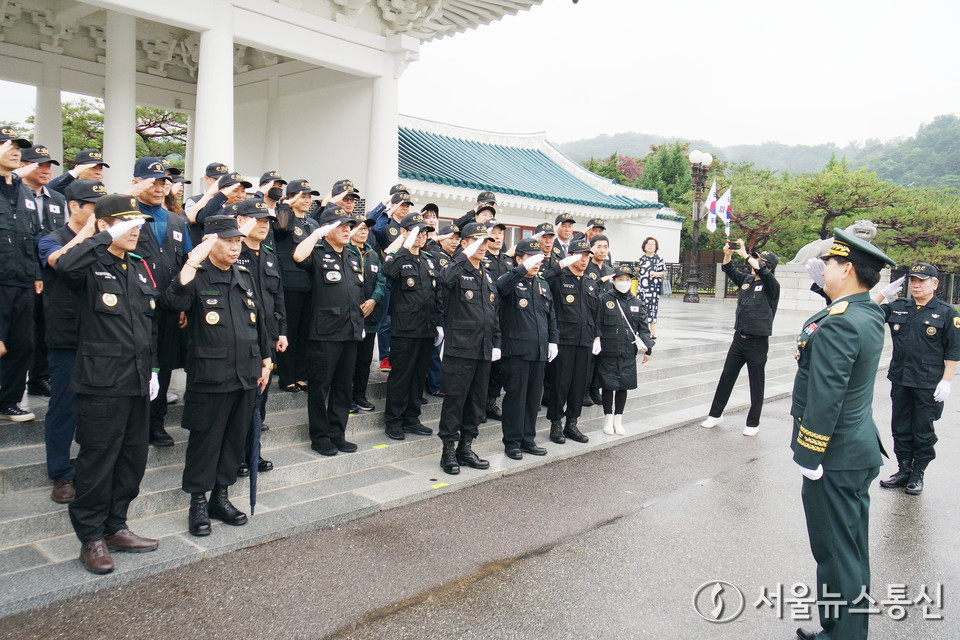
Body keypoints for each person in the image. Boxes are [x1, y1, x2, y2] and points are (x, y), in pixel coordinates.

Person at [792, 228, 895, 640]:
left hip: (835, 455)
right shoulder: (864, 312)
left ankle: (845, 635)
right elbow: (839, 311)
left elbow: (825, 398)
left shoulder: (843, 324)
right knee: (847, 549)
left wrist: (809, 454)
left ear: (847, 268)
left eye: (830, 263)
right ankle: (841, 628)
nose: (825, 269)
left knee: (836, 553)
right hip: (856, 449)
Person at [56, 194, 161, 574]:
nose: (134, 231)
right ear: (104, 226)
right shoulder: (89, 264)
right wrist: (100, 234)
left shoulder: (137, 267)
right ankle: (91, 538)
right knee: (98, 461)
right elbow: (64, 266)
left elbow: (148, 327)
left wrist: (154, 370)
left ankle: (116, 526)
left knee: (132, 460)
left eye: (136, 224)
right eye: (124, 224)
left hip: (136, 380)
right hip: (101, 383)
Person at [163, 215, 272, 537]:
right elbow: (174, 302)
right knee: (205, 442)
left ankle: (220, 498)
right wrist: (192, 262)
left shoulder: (244, 275)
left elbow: (260, 321)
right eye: (228, 241)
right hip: (210, 376)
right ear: (210, 242)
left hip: (246, 374)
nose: (236, 247)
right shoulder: (195, 275)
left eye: (238, 241)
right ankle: (197, 503)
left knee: (233, 441)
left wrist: (266, 362)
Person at [37, 180, 105, 503]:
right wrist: (89, 233)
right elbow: (59, 262)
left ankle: (88, 467)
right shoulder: (51, 239)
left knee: (95, 408)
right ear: (74, 206)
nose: (97, 211)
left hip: (100, 334)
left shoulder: (104, 241)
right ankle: (61, 473)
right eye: (91, 205)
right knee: (63, 408)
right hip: (66, 336)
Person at [873, 263, 960, 495]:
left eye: (921, 280)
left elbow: (953, 351)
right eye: (913, 280)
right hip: (900, 379)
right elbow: (868, 312)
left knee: (922, 430)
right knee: (900, 427)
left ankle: (918, 473)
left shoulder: (946, 312)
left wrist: (947, 381)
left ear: (935, 284)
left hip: (928, 383)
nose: (916, 284)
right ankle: (903, 469)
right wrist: (883, 294)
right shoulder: (899, 307)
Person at [293, 206, 364, 456]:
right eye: (341, 225)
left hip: (350, 331)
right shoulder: (318, 252)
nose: (347, 230)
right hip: (324, 333)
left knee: (344, 388)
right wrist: (316, 235)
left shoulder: (353, 256)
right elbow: (298, 257)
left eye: (349, 226)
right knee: (320, 388)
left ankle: (337, 433)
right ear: (327, 229)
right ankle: (320, 436)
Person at [130, 157, 192, 447]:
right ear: (136, 183)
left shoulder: (178, 220)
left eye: (162, 182)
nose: (158, 188)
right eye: (151, 182)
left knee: (164, 366)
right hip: (134, 308)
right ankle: (136, 423)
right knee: (137, 364)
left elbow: (187, 264)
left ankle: (156, 421)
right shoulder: (125, 216)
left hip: (168, 307)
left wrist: (183, 304)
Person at [436, 222, 501, 475]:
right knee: (455, 401)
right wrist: (464, 255)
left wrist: (496, 343)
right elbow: (445, 279)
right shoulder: (455, 269)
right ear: (464, 243)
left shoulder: (486, 274)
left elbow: (493, 314)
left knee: (476, 403)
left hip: (483, 350)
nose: (483, 247)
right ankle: (448, 451)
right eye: (477, 241)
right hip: (460, 349)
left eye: (486, 242)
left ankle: (466, 446)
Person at [231, 199, 288, 477]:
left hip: (267, 337)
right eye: (258, 221)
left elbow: (278, 297)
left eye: (267, 222)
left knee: (260, 401)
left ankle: (253, 451)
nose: (264, 226)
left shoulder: (268, 254)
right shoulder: (233, 252)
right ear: (241, 221)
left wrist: (283, 331)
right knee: (242, 403)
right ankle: (236, 457)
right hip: (241, 338)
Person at [701, 240, 780, 437]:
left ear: (768, 268)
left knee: (756, 382)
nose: (754, 265)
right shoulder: (747, 280)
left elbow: (761, 269)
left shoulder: (772, 285)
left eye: (760, 262)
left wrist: (745, 254)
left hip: (758, 342)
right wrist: (728, 253)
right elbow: (728, 269)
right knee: (727, 376)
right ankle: (715, 414)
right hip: (739, 338)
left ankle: (753, 423)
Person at [381, 212, 442, 440]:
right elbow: (388, 272)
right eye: (416, 231)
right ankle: (394, 420)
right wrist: (405, 247)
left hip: (426, 328)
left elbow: (437, 295)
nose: (421, 236)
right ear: (405, 233)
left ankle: (411, 417)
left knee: (418, 376)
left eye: (424, 232)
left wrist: (439, 324)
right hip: (405, 330)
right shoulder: (397, 257)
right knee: (401, 376)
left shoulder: (429, 260)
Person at [496, 238, 557, 459]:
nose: (536, 262)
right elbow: (500, 287)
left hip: (539, 351)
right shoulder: (510, 280)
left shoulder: (542, 284)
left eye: (539, 258)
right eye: (530, 258)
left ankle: (527, 439)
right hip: (516, 352)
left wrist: (553, 341)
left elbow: (551, 316)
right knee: (516, 398)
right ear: (519, 260)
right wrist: (522, 270)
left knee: (533, 399)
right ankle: (512, 442)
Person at [18, 144, 68, 399]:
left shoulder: (57, 199)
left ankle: (40, 377)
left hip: (51, 271)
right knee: (23, 330)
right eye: (40, 164)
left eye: (49, 165)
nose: (46, 170)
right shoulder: (15, 194)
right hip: (21, 271)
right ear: (23, 166)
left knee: (46, 326)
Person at [542, 237, 600, 445]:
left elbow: (596, 314)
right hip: (564, 340)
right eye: (580, 255)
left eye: (587, 256)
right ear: (570, 256)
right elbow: (543, 279)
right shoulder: (558, 278)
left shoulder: (591, 283)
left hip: (584, 341)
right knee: (560, 384)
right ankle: (556, 423)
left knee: (579, 385)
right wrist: (560, 266)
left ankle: (572, 423)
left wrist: (597, 336)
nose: (585, 259)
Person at [0, 129, 40, 423]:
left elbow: (35, 236)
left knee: (22, 344)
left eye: (18, 147)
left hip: (23, 280)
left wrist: (36, 272)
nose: (15, 151)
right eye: (8, 145)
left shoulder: (24, 190)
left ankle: (9, 401)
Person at [595, 266, 655, 436]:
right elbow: (596, 322)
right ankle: (608, 419)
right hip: (608, 350)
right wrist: (596, 339)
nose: (624, 283)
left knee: (623, 386)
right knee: (608, 386)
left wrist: (648, 349)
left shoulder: (637, 303)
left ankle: (618, 420)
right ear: (613, 281)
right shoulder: (604, 299)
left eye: (627, 280)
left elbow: (643, 328)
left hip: (627, 351)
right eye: (620, 279)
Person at [273, 179, 320, 392]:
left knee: (305, 332)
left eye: (310, 197)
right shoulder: (284, 217)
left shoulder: (312, 224)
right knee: (289, 331)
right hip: (290, 283)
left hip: (311, 283)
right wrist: (286, 204)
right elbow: (281, 228)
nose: (308, 200)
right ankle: (287, 376)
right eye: (303, 196)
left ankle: (302, 374)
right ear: (292, 197)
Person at [348, 214, 385, 413]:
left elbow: (381, 280)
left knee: (364, 359)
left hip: (369, 316)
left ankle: (360, 395)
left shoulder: (372, 254)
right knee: (349, 360)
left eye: (366, 228)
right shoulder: (345, 251)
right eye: (359, 228)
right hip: (349, 317)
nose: (364, 231)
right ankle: (347, 397)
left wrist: (373, 300)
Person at [480, 216, 514, 421]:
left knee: (499, 364)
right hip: (487, 317)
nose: (497, 236)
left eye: (500, 232)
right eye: (493, 232)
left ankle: (491, 402)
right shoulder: (482, 259)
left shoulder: (508, 260)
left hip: (506, 318)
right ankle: (479, 403)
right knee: (485, 364)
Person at [584, 234, 614, 406]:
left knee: (601, 358)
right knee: (589, 358)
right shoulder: (587, 267)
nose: (602, 250)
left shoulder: (610, 270)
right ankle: (585, 390)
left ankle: (595, 389)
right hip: (589, 316)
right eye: (598, 246)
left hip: (606, 318)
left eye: (605, 247)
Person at [635, 237, 666, 338]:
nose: (650, 246)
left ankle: (653, 331)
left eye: (653, 244)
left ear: (656, 247)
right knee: (641, 308)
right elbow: (638, 272)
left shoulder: (658, 259)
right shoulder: (641, 259)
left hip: (652, 288)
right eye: (648, 244)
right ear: (644, 246)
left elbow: (664, 272)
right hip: (641, 288)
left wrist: (656, 274)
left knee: (652, 308)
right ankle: (642, 329)